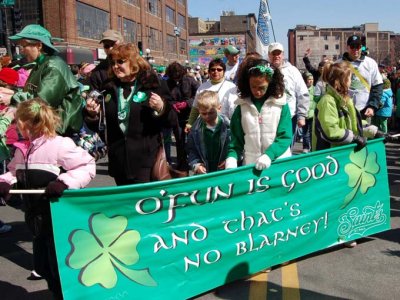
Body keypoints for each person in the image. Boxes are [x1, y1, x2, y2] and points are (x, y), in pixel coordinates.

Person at [0, 98, 96, 299]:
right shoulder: (22, 149)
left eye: (17, 121)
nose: (14, 125)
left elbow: (87, 166)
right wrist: (5, 182)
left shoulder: (59, 144)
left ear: (27, 123)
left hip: (57, 220)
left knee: (59, 269)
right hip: (35, 219)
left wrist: (64, 182)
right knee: (44, 268)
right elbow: (13, 172)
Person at [85, 43, 176, 186]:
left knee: (143, 204)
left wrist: (161, 108)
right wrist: (93, 115)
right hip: (118, 159)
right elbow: (100, 126)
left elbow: (171, 121)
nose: (115, 66)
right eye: (113, 63)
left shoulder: (153, 85)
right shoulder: (108, 88)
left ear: (134, 62)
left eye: (120, 62)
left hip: (146, 159)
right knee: (124, 205)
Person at [4, 24, 84, 136]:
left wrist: (13, 98)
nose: (21, 51)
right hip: (47, 130)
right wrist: (13, 93)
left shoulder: (53, 66)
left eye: (24, 46)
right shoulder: (40, 64)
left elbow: (41, 102)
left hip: (58, 133)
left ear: (38, 45)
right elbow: (31, 92)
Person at [225, 58, 292, 170]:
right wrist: (231, 158)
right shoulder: (241, 107)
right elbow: (236, 140)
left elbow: (285, 136)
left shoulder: (280, 105)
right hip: (251, 165)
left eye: (262, 87)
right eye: (253, 87)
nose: (257, 91)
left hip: (279, 164)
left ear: (270, 84)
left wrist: (269, 155)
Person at [268, 42, 309, 144]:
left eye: (279, 53)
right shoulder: (265, 71)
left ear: (283, 54)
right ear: (269, 55)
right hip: (269, 118)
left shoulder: (293, 70)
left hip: (290, 117)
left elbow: (302, 93)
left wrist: (301, 116)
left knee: (287, 147)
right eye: (273, 54)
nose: (276, 56)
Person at [336, 35, 383, 119]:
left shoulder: (370, 63)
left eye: (358, 46)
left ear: (361, 47)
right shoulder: (338, 64)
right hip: (343, 110)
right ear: (347, 47)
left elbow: (377, 86)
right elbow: (332, 87)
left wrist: (372, 106)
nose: (355, 49)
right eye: (352, 46)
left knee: (364, 132)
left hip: (364, 110)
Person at [185, 59, 238, 131]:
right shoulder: (202, 87)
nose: (216, 71)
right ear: (209, 72)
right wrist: (190, 124)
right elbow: (195, 108)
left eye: (219, 69)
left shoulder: (231, 87)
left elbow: (235, 109)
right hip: (206, 127)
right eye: (213, 69)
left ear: (224, 72)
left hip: (226, 127)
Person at [187, 90, 230, 174]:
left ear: (219, 108)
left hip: (224, 172)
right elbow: (191, 150)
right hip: (204, 174)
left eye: (211, 113)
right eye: (204, 113)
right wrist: (196, 165)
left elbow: (236, 147)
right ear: (199, 110)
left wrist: (229, 160)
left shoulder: (228, 127)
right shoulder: (195, 130)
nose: (207, 116)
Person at [302, 72, 316, 153]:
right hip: (304, 113)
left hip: (312, 114)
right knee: (305, 132)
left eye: (312, 79)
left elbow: (315, 101)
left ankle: (312, 146)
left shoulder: (314, 89)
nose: (311, 81)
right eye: (309, 79)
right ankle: (306, 147)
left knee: (311, 132)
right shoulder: (303, 89)